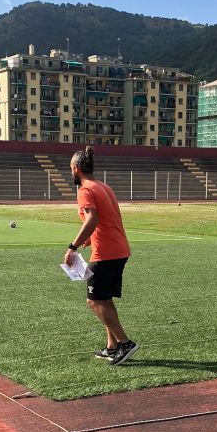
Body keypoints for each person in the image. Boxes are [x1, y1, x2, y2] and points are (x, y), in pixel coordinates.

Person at [64, 146, 138, 365]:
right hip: (118, 249)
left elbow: (92, 219)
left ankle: (125, 343)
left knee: (94, 301)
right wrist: (89, 239)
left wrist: (73, 246)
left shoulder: (85, 190)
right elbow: (106, 220)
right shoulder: (104, 187)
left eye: (70, 168)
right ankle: (112, 346)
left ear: (76, 168)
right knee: (104, 299)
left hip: (106, 252)